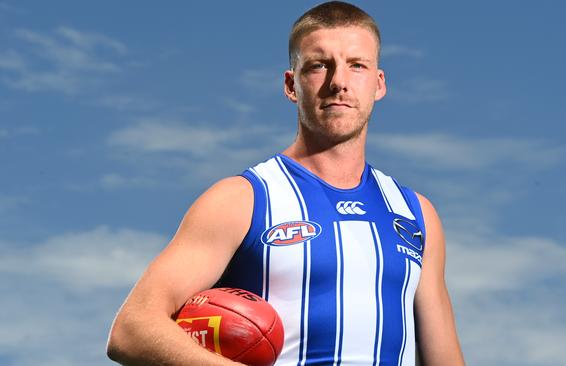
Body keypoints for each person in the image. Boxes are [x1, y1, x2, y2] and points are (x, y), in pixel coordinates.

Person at [106, 1, 464, 365]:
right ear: (292, 85)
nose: (338, 81)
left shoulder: (416, 214)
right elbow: (132, 328)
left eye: (357, 65)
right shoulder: (241, 200)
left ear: (379, 84)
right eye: (318, 65)